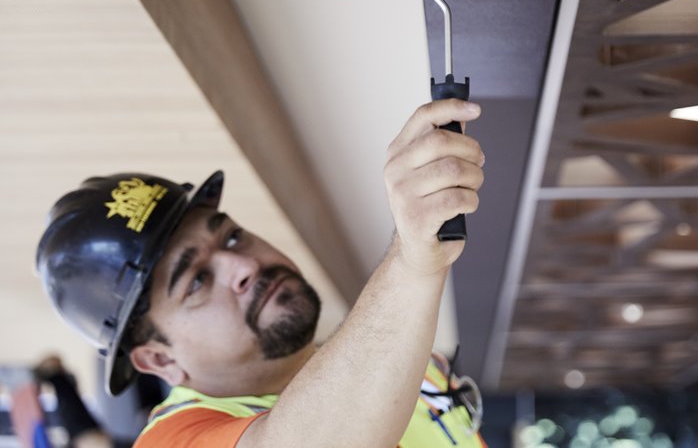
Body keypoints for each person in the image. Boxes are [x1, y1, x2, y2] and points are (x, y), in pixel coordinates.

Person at [35, 99, 487, 447]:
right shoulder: (173, 440)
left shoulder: (397, 359)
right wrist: (411, 262)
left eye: (230, 237)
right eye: (196, 280)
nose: (244, 265)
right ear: (159, 360)